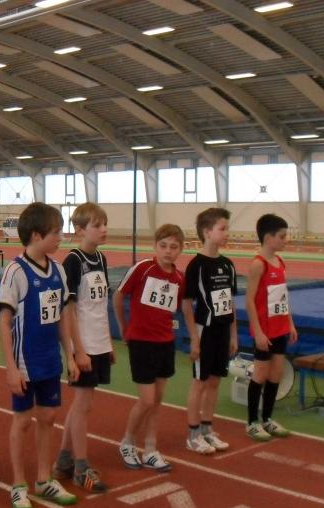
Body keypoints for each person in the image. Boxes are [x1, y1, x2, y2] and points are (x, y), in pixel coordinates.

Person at [0, 202, 79, 508]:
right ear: (35, 235)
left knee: (48, 417)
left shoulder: (58, 270)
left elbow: (61, 318)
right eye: (56, 232)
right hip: (24, 363)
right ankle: (19, 484)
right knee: (22, 421)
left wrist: (70, 355)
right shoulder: (15, 272)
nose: (61, 238)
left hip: (49, 361)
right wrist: (10, 368)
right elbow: (4, 322)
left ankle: (44, 479)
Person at [53, 203, 113, 493]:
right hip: (84, 344)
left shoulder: (101, 258)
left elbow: (100, 306)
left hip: (99, 342)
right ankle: (80, 467)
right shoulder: (73, 261)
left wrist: (107, 343)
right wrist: (77, 350)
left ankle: (64, 461)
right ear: (79, 230)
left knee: (83, 405)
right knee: (82, 405)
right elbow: (69, 311)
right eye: (97, 225)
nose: (104, 229)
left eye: (105, 224)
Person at [115, 224, 185, 472]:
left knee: (157, 400)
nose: (168, 251)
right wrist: (124, 327)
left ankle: (150, 449)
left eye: (174, 247)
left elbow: (173, 308)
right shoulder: (143, 268)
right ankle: (127, 442)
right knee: (147, 400)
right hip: (141, 342)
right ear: (155, 246)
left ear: (180, 250)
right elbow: (118, 296)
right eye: (163, 246)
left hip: (165, 343)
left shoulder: (179, 278)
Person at [182, 208, 238, 454]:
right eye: (222, 229)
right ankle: (193, 434)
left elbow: (230, 302)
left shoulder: (227, 265)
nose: (227, 233)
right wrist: (194, 338)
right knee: (200, 382)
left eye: (227, 228)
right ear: (207, 232)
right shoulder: (196, 266)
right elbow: (186, 304)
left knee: (215, 381)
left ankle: (207, 429)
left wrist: (233, 335)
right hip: (204, 330)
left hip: (223, 330)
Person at [244, 214, 298, 441]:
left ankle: (267, 418)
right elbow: (249, 300)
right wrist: (258, 332)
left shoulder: (280, 262)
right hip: (264, 331)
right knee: (260, 374)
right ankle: (252, 422)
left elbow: (282, 298)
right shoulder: (258, 264)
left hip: (280, 328)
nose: (286, 240)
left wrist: (290, 323)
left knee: (276, 374)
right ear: (268, 238)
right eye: (282, 236)